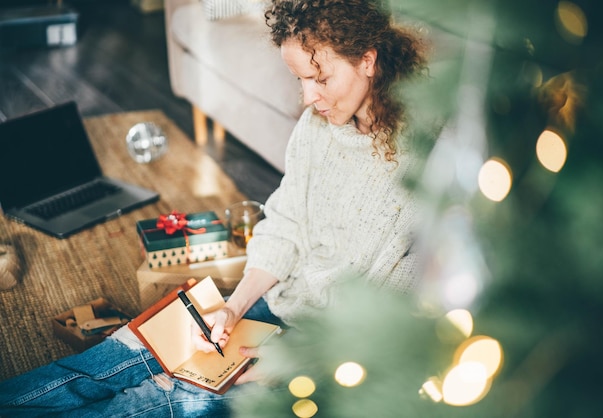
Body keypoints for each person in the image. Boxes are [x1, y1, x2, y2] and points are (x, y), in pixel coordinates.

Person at [0, 0, 430, 416]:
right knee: (130, 350)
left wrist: (301, 359)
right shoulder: (317, 127)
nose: (307, 97)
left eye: (320, 78)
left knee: (165, 398)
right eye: (300, 80)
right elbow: (285, 225)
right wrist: (234, 306)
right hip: (280, 306)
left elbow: (408, 307)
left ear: (368, 61)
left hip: (335, 348)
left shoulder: (429, 159)